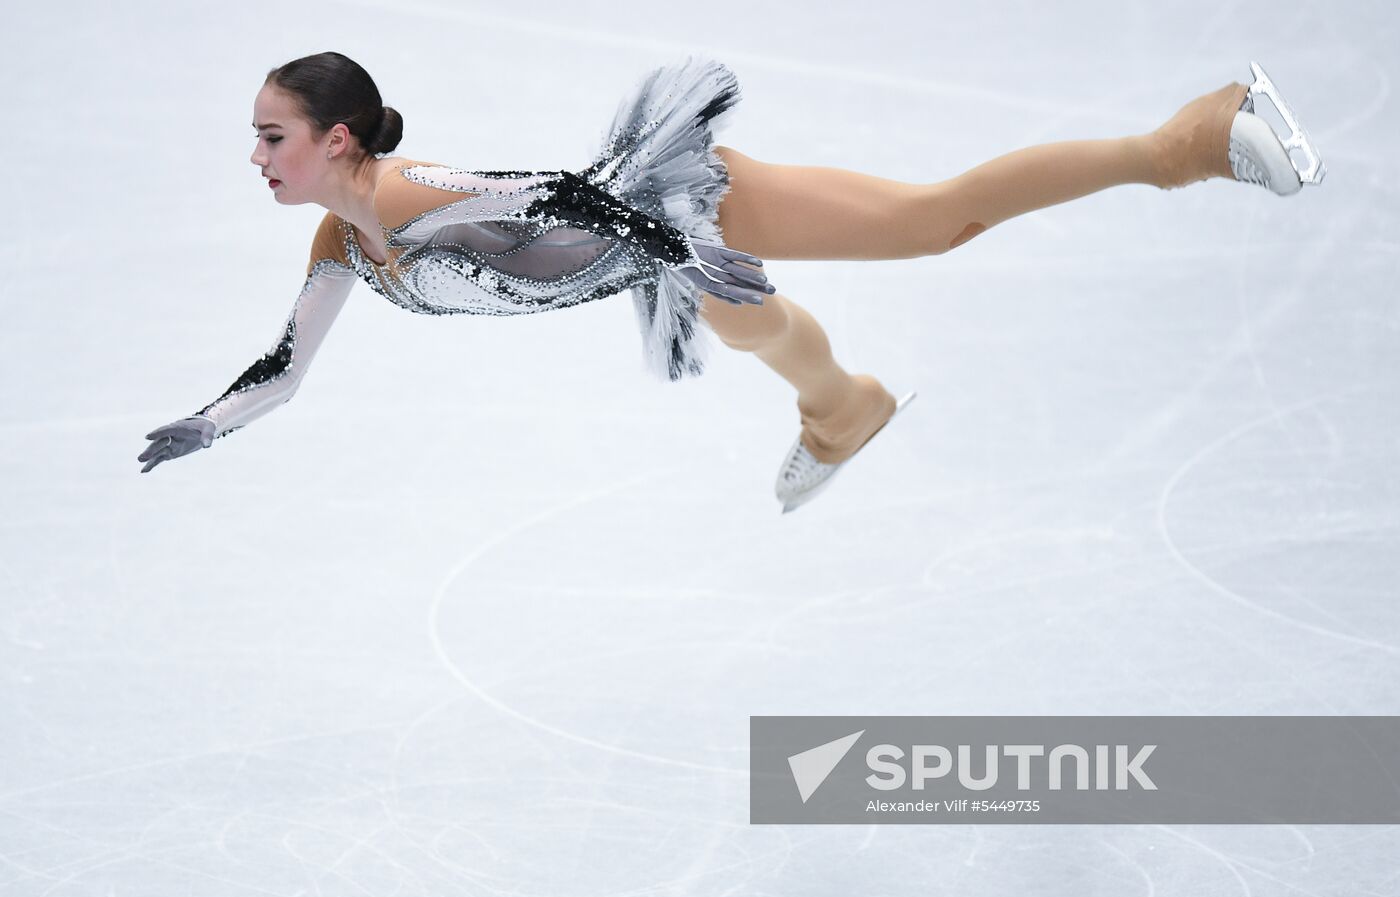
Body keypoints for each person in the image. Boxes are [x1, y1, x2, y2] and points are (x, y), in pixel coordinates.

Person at [137, 54, 1323, 513]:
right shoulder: (339, 248)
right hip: (646, 257)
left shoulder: (405, 192)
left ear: (341, 139)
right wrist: (205, 423)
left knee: (927, 224)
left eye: (272, 135)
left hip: (674, 203)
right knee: (749, 323)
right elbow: (284, 368)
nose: (256, 157)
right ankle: (840, 408)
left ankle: (1192, 138)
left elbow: (557, 193)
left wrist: (686, 245)